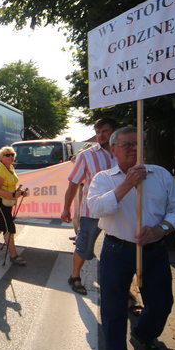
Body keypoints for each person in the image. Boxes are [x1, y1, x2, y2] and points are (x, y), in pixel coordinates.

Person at [87, 127, 175, 350]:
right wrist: (126, 185)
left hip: (153, 250)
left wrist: (162, 228)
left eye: (137, 144)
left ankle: (143, 335)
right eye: (127, 144)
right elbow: (96, 207)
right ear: (114, 150)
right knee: (113, 307)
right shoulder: (104, 178)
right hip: (117, 250)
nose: (133, 148)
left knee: (161, 303)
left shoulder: (161, 175)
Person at [60, 117, 118, 295]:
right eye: (98, 132)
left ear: (114, 131)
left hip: (120, 211)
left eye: (105, 131)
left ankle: (122, 286)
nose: (100, 135)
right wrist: (66, 208)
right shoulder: (87, 156)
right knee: (84, 245)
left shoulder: (125, 152)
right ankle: (75, 276)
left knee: (121, 248)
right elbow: (73, 184)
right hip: (92, 211)